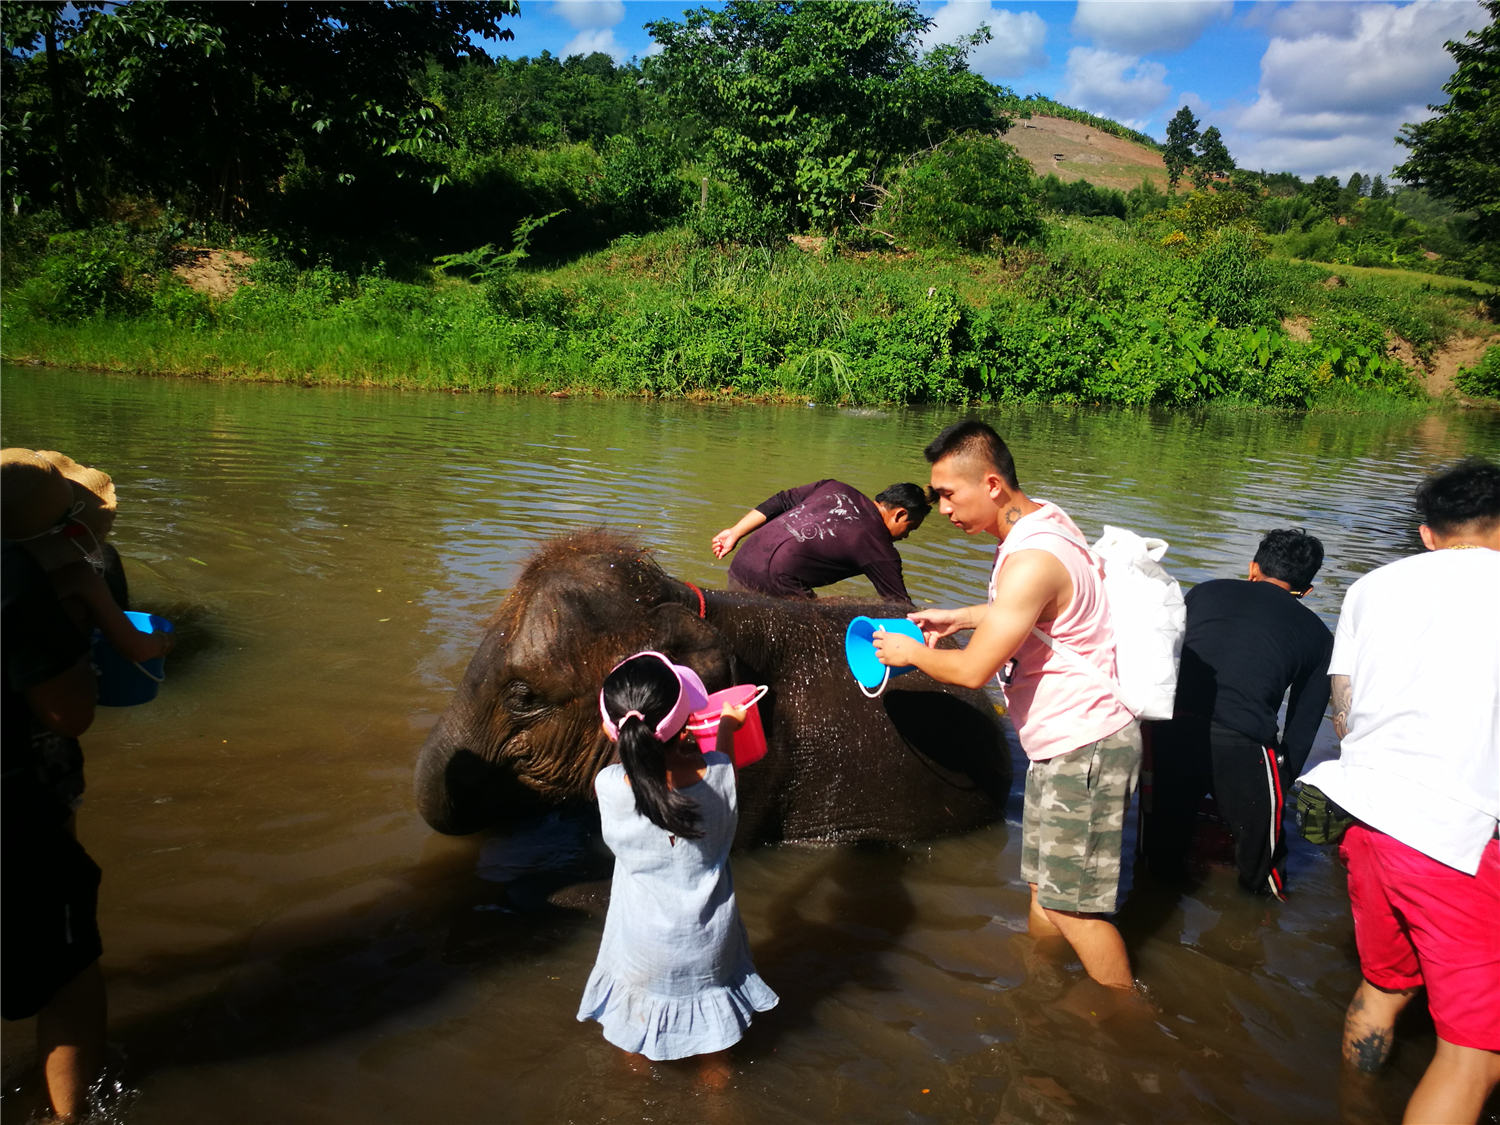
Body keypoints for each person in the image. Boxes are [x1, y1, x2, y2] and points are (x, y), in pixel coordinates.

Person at [870, 421, 1140, 993]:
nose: (940, 509)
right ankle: (1041, 990)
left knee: (1075, 908)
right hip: (1060, 743)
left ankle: (1127, 1021)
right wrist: (962, 616)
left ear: (991, 484)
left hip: (1084, 745)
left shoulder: (1029, 559)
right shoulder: (1045, 521)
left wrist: (909, 653)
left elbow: (972, 671)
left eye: (948, 494)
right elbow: (1036, 610)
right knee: (1048, 889)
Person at [1300, 457, 1499, 1125]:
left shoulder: (1370, 588)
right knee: (1474, 1055)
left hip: (1365, 816)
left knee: (1385, 984)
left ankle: (1355, 1103)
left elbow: (1344, 709)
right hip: (1458, 837)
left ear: (1427, 533)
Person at [578, 651, 778, 1080]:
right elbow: (724, 767)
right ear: (688, 722)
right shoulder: (720, 778)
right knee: (716, 1051)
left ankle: (634, 1086)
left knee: (633, 1036)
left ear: (611, 731)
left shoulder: (608, 786)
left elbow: (643, 776)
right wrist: (725, 725)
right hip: (709, 946)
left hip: (639, 946)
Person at [1, 450, 107, 1122]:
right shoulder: (12, 578)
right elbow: (71, 711)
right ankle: (72, 1117)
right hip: (16, 808)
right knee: (69, 971)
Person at [1144, 528, 1333, 898]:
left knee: (1158, 857)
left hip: (1173, 728)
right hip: (1243, 744)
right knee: (1262, 872)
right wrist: (1278, 786)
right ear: (1306, 591)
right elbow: (1302, 727)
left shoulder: (1205, 592)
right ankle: (1254, 929)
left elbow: (1166, 659)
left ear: (1252, 568)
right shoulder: (1319, 636)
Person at [711, 480, 929, 601]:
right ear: (899, 514)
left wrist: (735, 531)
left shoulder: (835, 487)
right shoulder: (878, 545)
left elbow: (781, 500)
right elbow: (899, 606)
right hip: (776, 580)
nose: (905, 536)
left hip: (745, 560)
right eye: (910, 528)